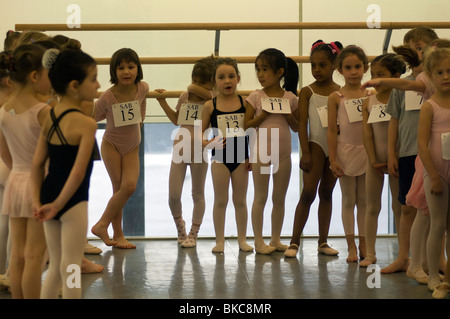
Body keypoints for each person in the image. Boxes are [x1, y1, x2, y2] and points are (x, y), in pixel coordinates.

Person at [361, 27, 439, 274]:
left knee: (434, 209)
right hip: (407, 151)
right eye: (412, 49)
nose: (417, 53)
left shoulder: (437, 82)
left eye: (422, 48)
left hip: (432, 152)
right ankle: (404, 257)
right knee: (406, 206)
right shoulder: (402, 86)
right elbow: (394, 119)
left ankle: (434, 259)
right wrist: (392, 153)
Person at [31, 48, 99, 299]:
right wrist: (60, 204)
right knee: (71, 265)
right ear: (74, 86)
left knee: (57, 266)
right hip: (71, 201)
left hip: (48, 195)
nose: (98, 83)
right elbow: (78, 172)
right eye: (93, 78)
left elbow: (37, 164)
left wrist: (39, 201)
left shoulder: (50, 117)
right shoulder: (87, 123)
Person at [0, 43, 51, 298]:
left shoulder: (4, 110)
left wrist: (19, 170)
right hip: (38, 183)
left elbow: (5, 153)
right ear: (34, 76)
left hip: (16, 181)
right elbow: (54, 155)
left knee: (17, 254)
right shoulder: (43, 112)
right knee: (34, 255)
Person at [285, 40, 342, 258]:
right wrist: (305, 152)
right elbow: (302, 125)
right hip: (315, 145)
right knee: (308, 193)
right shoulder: (307, 91)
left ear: (334, 65)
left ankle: (323, 241)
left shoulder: (340, 91)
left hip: (335, 147)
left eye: (322, 65)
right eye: (313, 65)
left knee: (327, 192)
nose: (317, 70)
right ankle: (294, 242)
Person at [155, 56, 215, 247]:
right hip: (179, 149)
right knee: (173, 195)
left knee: (198, 194)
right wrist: (162, 102)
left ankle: (193, 234)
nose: (196, 85)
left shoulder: (213, 101)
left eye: (202, 82)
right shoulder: (184, 96)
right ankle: (180, 227)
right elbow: (176, 119)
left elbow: (216, 125)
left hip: (199, 150)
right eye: (195, 81)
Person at [92, 48, 149, 249]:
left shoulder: (142, 88)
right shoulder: (108, 96)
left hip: (132, 145)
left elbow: (142, 107)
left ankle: (101, 224)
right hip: (111, 145)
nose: (126, 72)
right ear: (113, 72)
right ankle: (118, 234)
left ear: (138, 68)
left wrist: (138, 125)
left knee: (129, 187)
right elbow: (93, 116)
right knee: (118, 188)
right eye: (121, 68)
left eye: (131, 67)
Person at [245, 48, 299, 254]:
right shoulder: (255, 96)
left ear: (279, 73)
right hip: (262, 153)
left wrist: (288, 115)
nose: (260, 74)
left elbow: (296, 127)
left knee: (279, 197)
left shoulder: (290, 97)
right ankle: (259, 241)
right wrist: (264, 115)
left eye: (265, 69)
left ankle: (275, 239)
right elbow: (246, 125)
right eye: (257, 69)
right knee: (261, 196)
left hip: (284, 154)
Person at [201, 58, 253, 253]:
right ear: (215, 82)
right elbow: (200, 132)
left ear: (238, 78)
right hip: (219, 158)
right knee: (220, 200)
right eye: (221, 77)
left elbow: (252, 132)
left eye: (231, 76)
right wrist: (207, 143)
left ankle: (242, 239)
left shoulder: (245, 102)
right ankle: (220, 240)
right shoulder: (210, 105)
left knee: (240, 200)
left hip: (241, 157)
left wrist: (252, 156)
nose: (227, 81)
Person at [360, 53, 406, 267]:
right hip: (375, 162)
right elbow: (367, 134)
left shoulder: (402, 98)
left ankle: (403, 254)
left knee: (400, 207)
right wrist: (372, 159)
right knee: (372, 206)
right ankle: (370, 253)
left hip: (397, 160)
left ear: (395, 76)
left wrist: (393, 157)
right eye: (373, 75)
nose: (376, 79)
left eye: (381, 75)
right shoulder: (368, 102)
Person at [327, 45, 369, 262]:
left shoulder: (370, 94)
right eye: (348, 67)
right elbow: (332, 130)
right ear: (340, 70)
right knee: (348, 200)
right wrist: (333, 158)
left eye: (358, 67)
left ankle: (364, 243)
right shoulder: (336, 96)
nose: (354, 72)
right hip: (345, 152)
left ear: (365, 68)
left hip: (367, 152)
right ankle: (351, 245)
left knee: (364, 200)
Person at [417, 47, 450, 296]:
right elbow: (421, 144)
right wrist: (434, 175)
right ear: (430, 75)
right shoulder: (429, 106)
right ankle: (431, 277)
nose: (446, 76)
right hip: (436, 172)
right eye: (440, 72)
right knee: (437, 225)